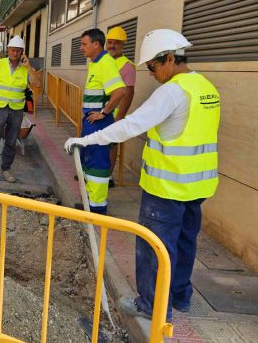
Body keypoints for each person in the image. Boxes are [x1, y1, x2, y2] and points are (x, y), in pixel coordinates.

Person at [65, 29, 220, 321]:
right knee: (186, 243)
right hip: (198, 187)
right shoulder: (205, 87)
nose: (151, 73)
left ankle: (151, 305)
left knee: (154, 247)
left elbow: (131, 125)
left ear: (171, 59)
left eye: (152, 66)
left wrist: (87, 140)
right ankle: (179, 297)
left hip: (166, 187)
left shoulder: (173, 91)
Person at [77, 28, 126, 214]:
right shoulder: (95, 63)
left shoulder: (105, 62)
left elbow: (120, 91)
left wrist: (103, 113)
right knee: (88, 163)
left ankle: (97, 210)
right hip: (91, 123)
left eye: (84, 44)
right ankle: (90, 204)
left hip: (99, 124)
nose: (81, 48)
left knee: (97, 165)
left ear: (96, 44)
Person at [0, 35, 39, 184]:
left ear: (22, 53)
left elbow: (37, 83)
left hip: (16, 110)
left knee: (11, 142)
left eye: (18, 51)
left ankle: (5, 169)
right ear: (8, 50)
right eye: (13, 50)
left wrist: (29, 67)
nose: (15, 53)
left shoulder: (26, 69)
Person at [105, 26, 136, 186]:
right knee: (97, 144)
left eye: (116, 43)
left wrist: (119, 117)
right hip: (100, 112)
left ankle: (108, 177)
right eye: (109, 42)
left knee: (111, 145)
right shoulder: (104, 61)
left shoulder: (127, 66)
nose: (112, 45)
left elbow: (128, 93)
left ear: (123, 45)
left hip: (113, 114)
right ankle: (93, 173)